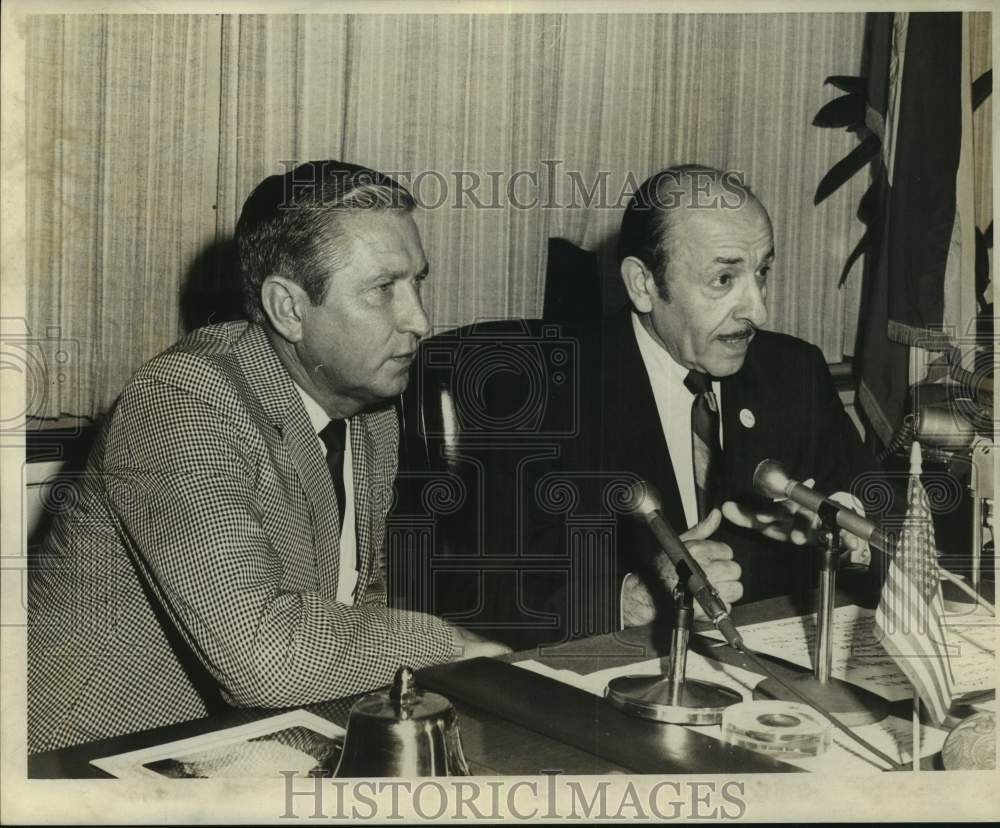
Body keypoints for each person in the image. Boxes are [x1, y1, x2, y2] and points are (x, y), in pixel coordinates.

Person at [26, 160, 507, 754]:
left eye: (417, 283)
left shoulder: (372, 409)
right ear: (288, 308)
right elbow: (264, 653)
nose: (420, 321)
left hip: (251, 743)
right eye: (384, 289)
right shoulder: (181, 402)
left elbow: (358, 605)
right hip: (92, 761)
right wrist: (447, 647)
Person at [524, 164, 879, 643]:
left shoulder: (793, 371)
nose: (757, 310)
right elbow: (484, 584)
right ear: (644, 285)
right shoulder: (548, 391)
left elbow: (883, 506)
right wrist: (634, 596)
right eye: (723, 279)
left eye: (761, 272)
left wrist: (840, 532)